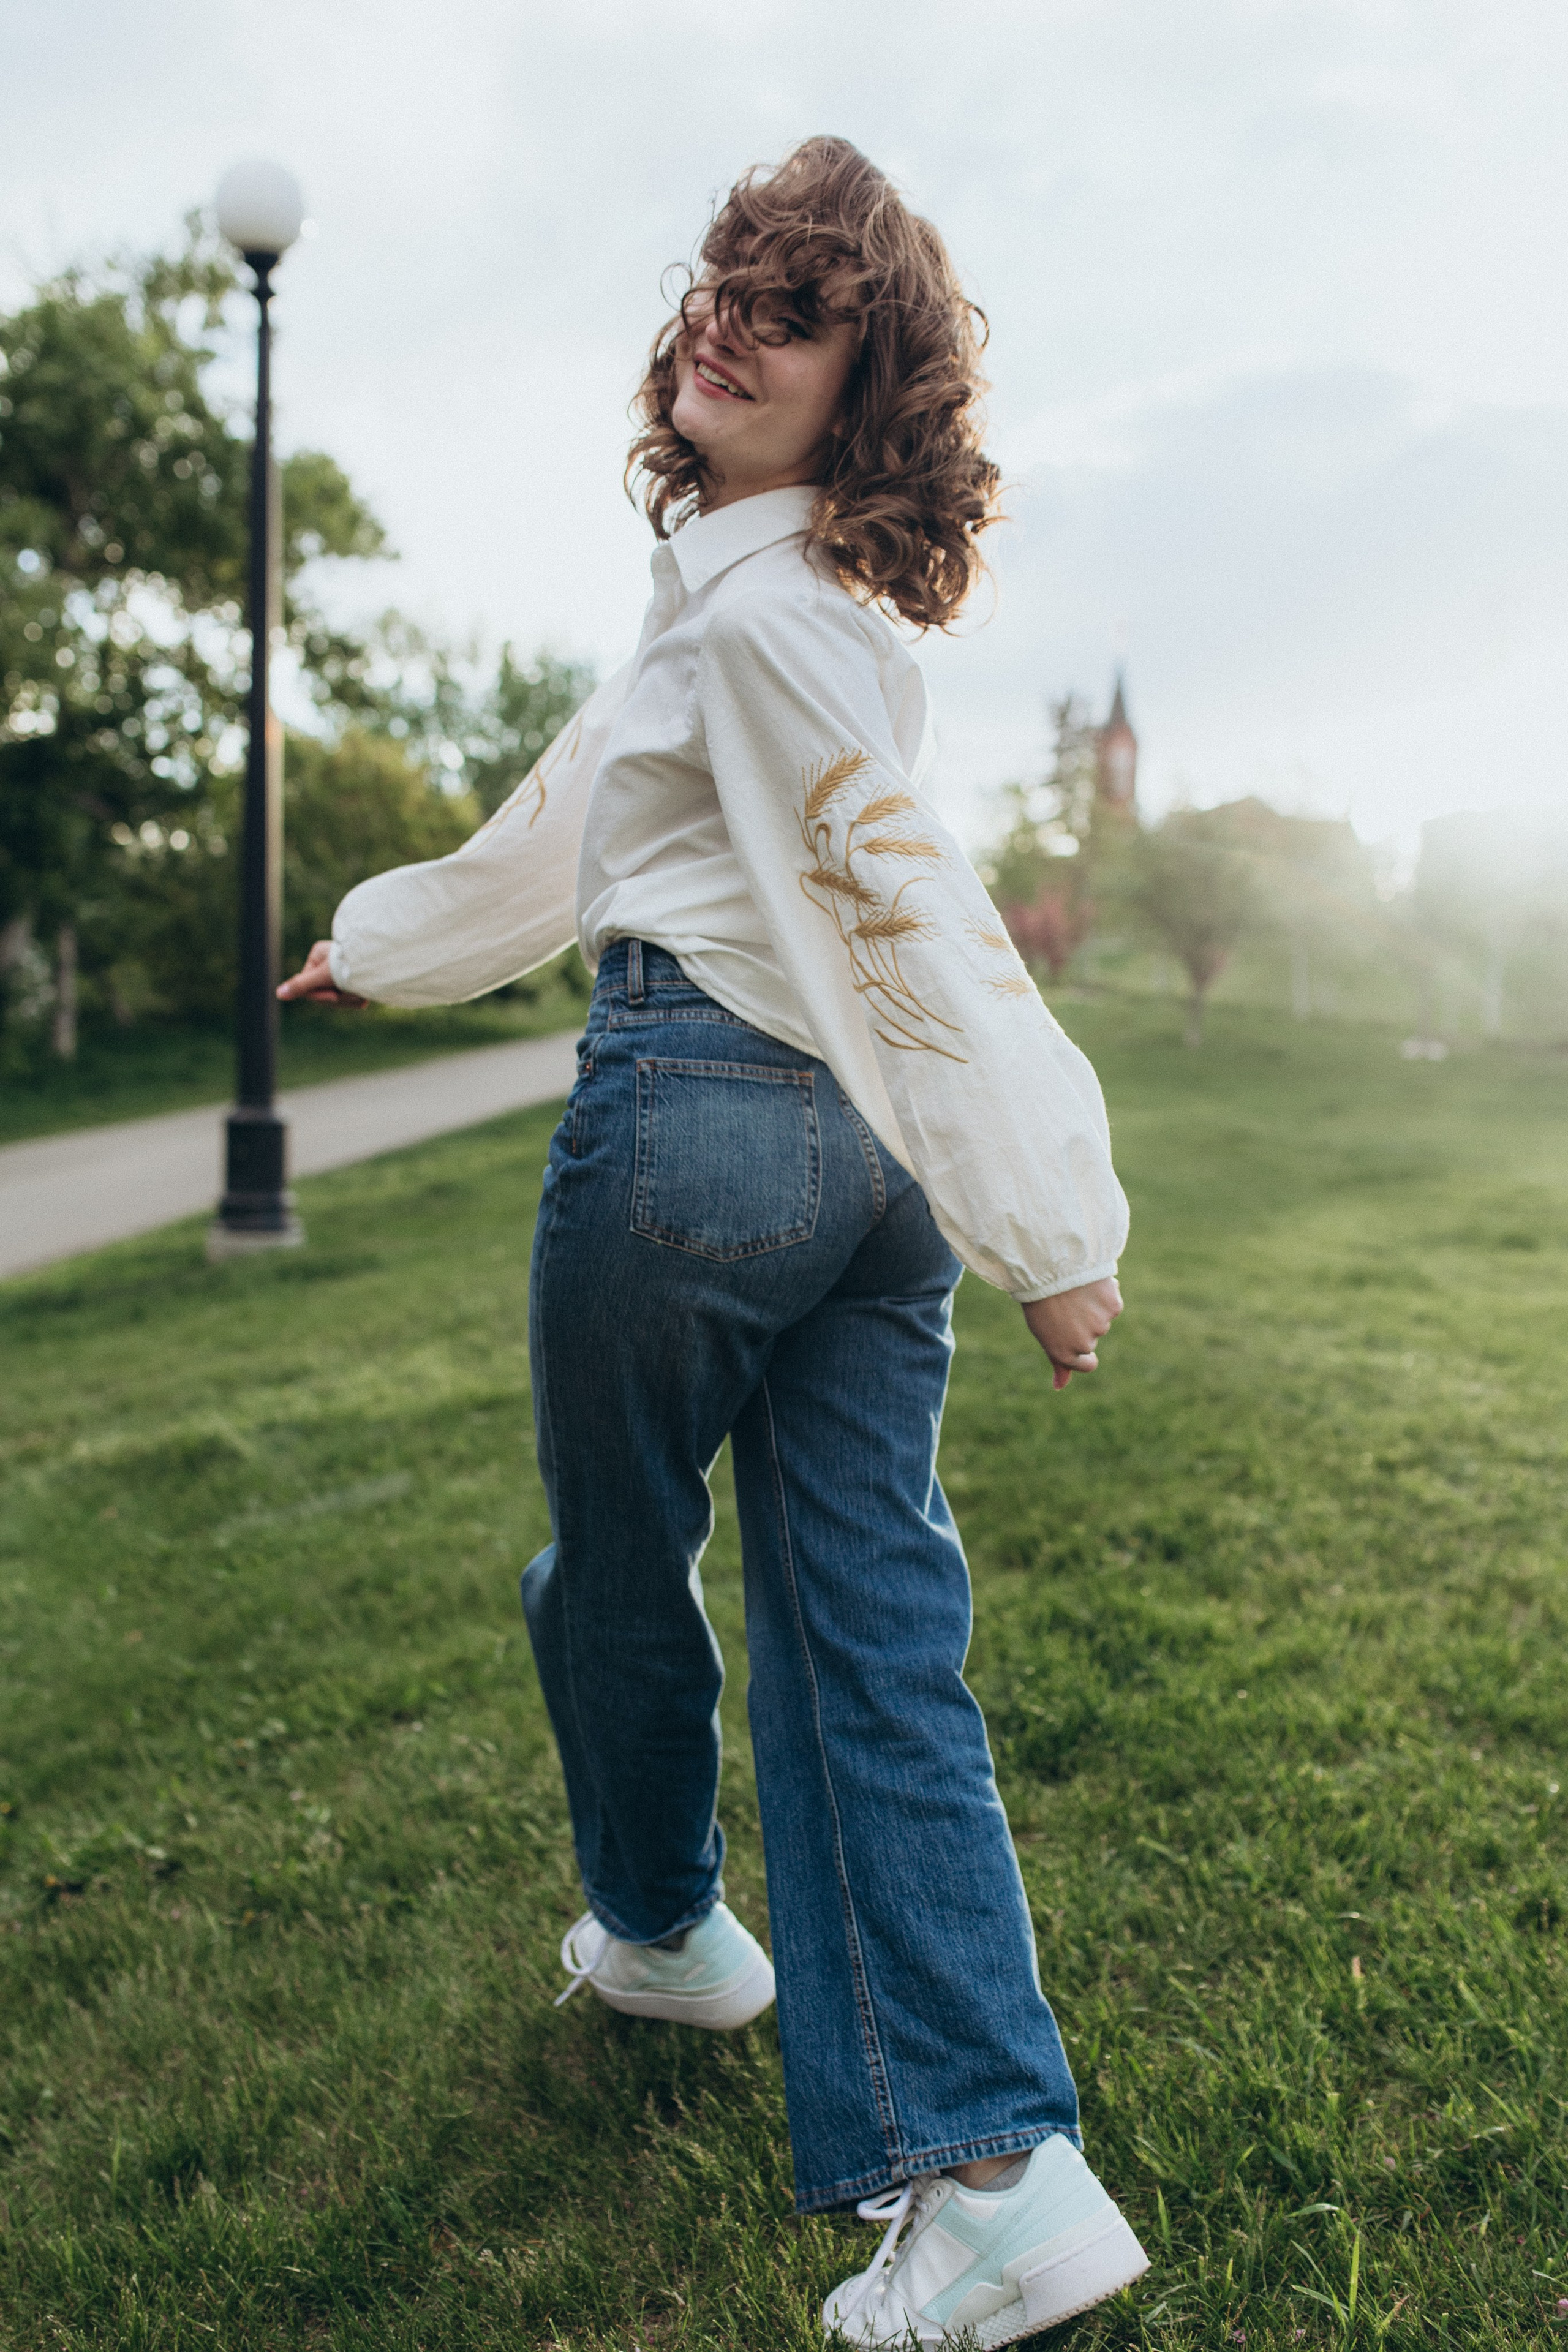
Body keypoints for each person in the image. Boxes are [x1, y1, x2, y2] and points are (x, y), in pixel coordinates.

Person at [281, 135, 1148, 2348]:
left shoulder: (764, 629)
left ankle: (664, 1930)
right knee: (874, 1636)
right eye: (719, 284)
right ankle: (1001, 2172)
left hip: (701, 1131)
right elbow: (565, 821)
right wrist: (383, 948)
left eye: (790, 307)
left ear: (868, 393)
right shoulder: (768, 616)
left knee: (605, 1571)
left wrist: (1052, 1216)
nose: (724, 323)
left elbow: (909, 917)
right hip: (857, 1198)